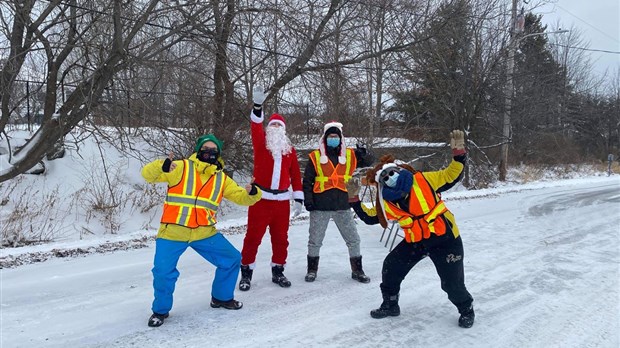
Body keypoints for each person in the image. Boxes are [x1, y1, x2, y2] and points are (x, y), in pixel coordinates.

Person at [345, 130, 475, 328]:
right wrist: (354, 199)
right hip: (417, 241)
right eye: (385, 178)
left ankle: (466, 309)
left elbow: (451, 174)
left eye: (392, 173)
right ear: (381, 183)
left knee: (451, 284)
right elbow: (371, 217)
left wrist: (459, 153)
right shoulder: (386, 201)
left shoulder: (424, 180)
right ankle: (390, 305)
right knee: (391, 266)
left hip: (445, 238)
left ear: (399, 170)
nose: (390, 178)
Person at [141, 134, 262, 327]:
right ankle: (160, 311)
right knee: (163, 272)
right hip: (173, 232)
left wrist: (253, 193)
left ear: (219, 154)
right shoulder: (180, 167)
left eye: (214, 151)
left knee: (231, 259)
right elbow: (148, 175)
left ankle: (221, 298)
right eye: (206, 149)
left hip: (204, 232)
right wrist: (160, 166)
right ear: (198, 150)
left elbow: (241, 197)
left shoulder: (221, 178)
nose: (210, 153)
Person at [238, 88, 304, 291]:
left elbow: (295, 175)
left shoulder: (289, 150)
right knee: (253, 237)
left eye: (278, 125)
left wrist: (298, 198)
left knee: (281, 239)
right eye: (272, 124)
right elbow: (255, 126)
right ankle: (246, 274)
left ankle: (278, 271)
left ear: (283, 129)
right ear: (269, 128)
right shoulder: (261, 144)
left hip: (282, 202)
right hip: (260, 199)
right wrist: (257, 107)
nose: (275, 127)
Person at [302, 121, 373, 283]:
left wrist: (365, 153)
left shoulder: (349, 155)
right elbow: (307, 181)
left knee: (353, 239)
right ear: (325, 138)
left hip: (343, 204)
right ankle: (312, 270)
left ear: (340, 138)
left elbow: (369, 162)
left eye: (336, 136)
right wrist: (308, 200)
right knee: (315, 240)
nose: (333, 139)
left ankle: (358, 270)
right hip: (321, 205)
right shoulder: (315, 156)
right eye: (330, 136)